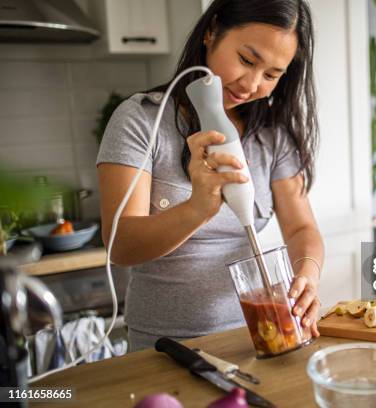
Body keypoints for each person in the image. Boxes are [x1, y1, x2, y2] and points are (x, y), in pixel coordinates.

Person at [96, 0, 323, 352]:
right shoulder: (140, 119)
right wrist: (199, 207)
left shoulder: (272, 135)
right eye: (247, 60)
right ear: (212, 31)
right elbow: (120, 246)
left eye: (271, 75)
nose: (250, 84)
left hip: (256, 339)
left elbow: (301, 228)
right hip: (164, 349)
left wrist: (307, 275)